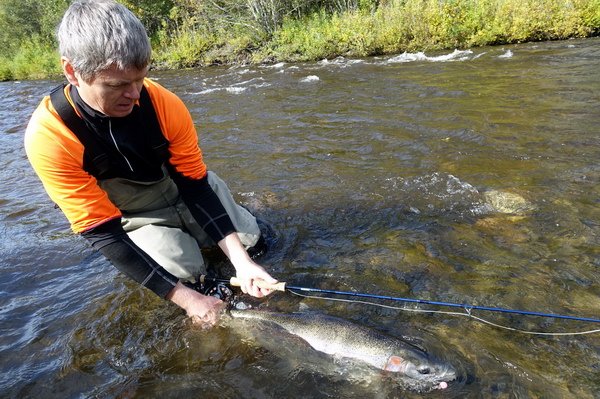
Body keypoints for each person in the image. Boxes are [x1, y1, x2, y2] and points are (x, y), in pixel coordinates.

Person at [24, 0, 277, 326]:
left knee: (256, 247)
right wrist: (189, 300)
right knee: (192, 279)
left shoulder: (165, 104)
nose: (135, 94)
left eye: (140, 78)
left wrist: (242, 265)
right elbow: (103, 233)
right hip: (138, 216)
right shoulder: (49, 137)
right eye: (117, 85)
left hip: (184, 191)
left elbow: (195, 187)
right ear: (72, 72)